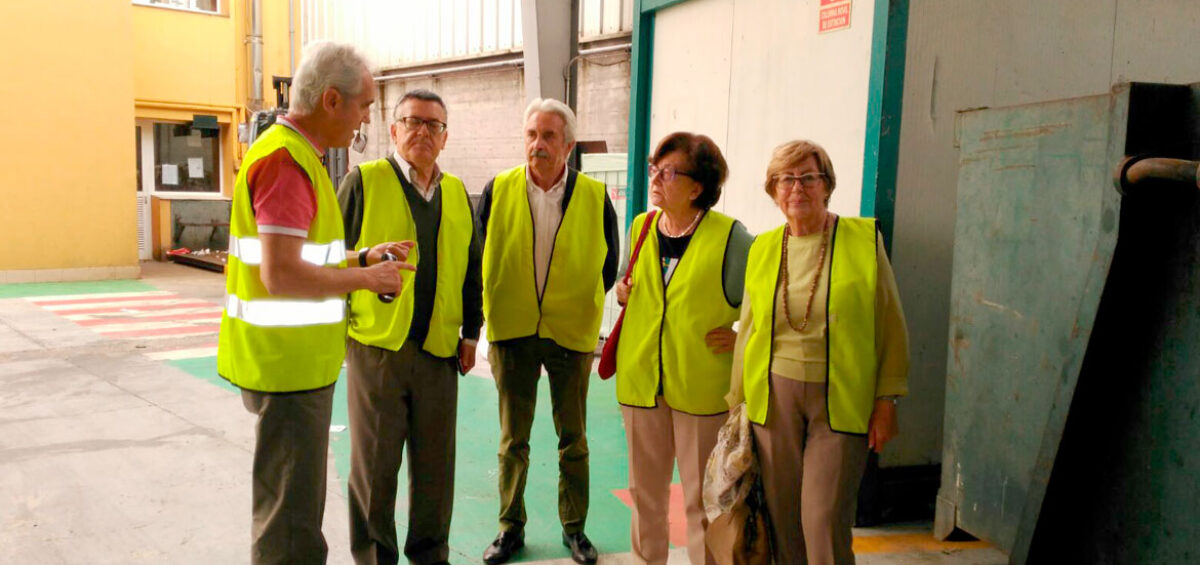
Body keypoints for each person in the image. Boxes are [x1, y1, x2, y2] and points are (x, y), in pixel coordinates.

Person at [217, 41, 415, 565]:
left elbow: (301, 254)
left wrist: (362, 256)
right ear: (331, 100)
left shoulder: (295, 153)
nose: (363, 122)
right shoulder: (287, 163)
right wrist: (366, 279)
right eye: (364, 107)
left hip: (292, 365)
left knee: (293, 509)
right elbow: (281, 274)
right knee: (291, 527)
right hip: (288, 370)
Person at [728, 139, 909, 565]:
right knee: (784, 518)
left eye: (808, 177)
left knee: (823, 519)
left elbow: (890, 324)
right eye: (786, 179)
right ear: (773, 191)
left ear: (826, 185)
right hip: (773, 398)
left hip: (842, 397)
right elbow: (749, 330)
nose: (797, 187)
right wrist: (736, 402)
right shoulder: (764, 248)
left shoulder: (863, 240)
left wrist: (887, 399)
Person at [336, 88, 482, 565]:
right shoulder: (363, 181)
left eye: (433, 125)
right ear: (393, 129)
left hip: (439, 352)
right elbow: (328, 261)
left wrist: (470, 332)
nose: (422, 131)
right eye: (411, 121)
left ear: (445, 137)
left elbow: (471, 268)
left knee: (436, 473)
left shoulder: (458, 193)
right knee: (375, 472)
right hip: (377, 350)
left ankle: (430, 557)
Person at [475, 98, 620, 565]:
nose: (538, 144)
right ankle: (508, 528)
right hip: (512, 331)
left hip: (569, 333)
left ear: (569, 145)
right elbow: (479, 256)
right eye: (532, 135)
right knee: (511, 440)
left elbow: (608, 264)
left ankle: (575, 529)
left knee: (573, 440)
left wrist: (575, 305)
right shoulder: (497, 189)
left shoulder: (595, 198)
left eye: (549, 136)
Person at [613, 132, 752, 565]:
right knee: (645, 497)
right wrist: (622, 290)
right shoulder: (641, 226)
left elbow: (766, 304)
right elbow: (627, 282)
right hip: (642, 384)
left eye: (668, 171)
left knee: (701, 502)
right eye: (654, 168)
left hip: (701, 390)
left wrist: (742, 335)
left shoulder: (731, 238)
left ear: (697, 187)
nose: (655, 178)